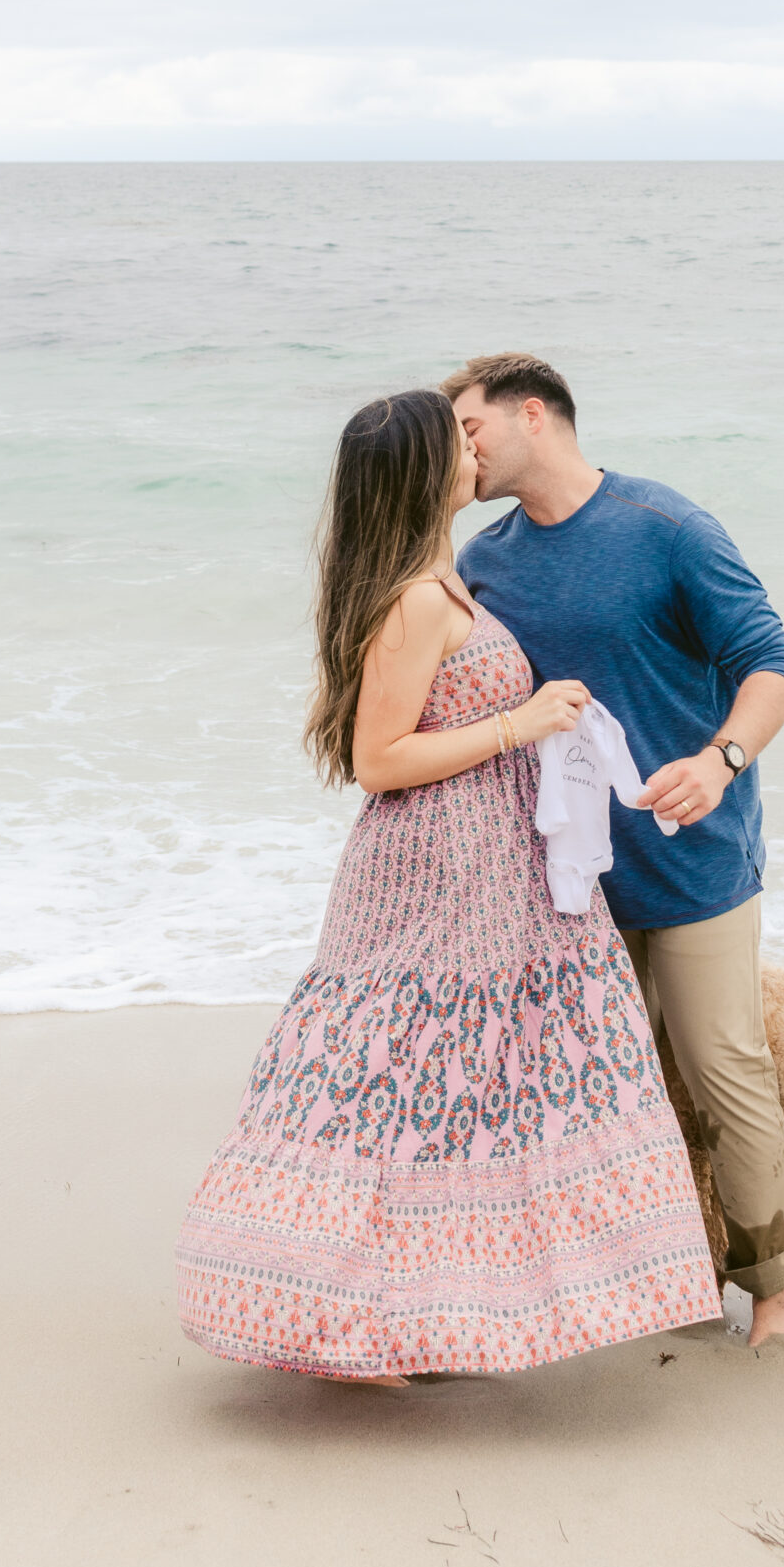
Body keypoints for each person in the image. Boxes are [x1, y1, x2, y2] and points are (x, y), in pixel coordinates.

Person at [176, 388, 721, 1387]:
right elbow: (374, 756)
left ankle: (444, 1312)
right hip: (430, 874)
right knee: (396, 1083)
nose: (474, 448)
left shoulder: (444, 579)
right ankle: (343, 1316)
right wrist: (525, 720)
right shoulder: (417, 598)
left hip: (485, 869)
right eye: (455, 438)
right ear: (425, 471)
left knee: (461, 1089)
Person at [447, 352, 784, 1349]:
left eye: (469, 428)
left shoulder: (666, 529)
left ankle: (774, 1288)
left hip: (692, 855)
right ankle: (649, 1275)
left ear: (533, 414)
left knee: (720, 1065)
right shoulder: (482, 561)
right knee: (609, 1089)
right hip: (566, 878)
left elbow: (774, 662)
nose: (459, 450)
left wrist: (720, 757)